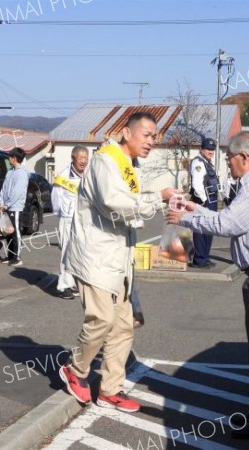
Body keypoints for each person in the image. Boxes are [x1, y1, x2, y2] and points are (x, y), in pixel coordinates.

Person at [167, 131, 249, 439]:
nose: (227, 162)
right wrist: (192, 210)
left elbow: (228, 225)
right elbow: (227, 218)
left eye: (230, 157)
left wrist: (183, 218)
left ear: (245, 157)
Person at [59, 111, 179, 412]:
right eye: (147, 135)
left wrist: (156, 200)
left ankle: (110, 389)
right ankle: (75, 369)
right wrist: (158, 198)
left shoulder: (127, 166)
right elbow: (116, 203)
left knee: (123, 327)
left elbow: (129, 210)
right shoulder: (105, 161)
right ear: (127, 132)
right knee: (101, 319)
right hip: (96, 258)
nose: (151, 141)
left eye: (155, 136)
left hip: (118, 261)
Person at [51, 145, 89, 299]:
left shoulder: (88, 175)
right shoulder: (63, 177)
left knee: (80, 253)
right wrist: (65, 214)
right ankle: (63, 286)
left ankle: (73, 283)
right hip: (68, 220)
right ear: (73, 158)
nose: (84, 161)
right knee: (66, 252)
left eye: (86, 158)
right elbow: (56, 202)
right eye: (81, 158)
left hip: (84, 221)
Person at [188, 137, 219, 268]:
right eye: (207, 149)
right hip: (203, 201)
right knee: (200, 230)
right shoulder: (199, 163)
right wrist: (203, 200)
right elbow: (197, 183)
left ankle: (205, 257)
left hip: (211, 200)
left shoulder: (207, 162)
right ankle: (199, 260)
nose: (210, 151)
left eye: (212, 149)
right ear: (202, 149)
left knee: (208, 230)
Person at [0, 147, 29, 267]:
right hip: (6, 206)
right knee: (7, 231)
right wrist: (1, 203)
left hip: (15, 207)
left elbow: (17, 192)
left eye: (10, 157)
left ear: (14, 159)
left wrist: (7, 205)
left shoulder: (21, 173)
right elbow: (4, 188)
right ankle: (10, 255)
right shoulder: (10, 171)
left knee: (15, 231)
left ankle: (17, 256)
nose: (9, 159)